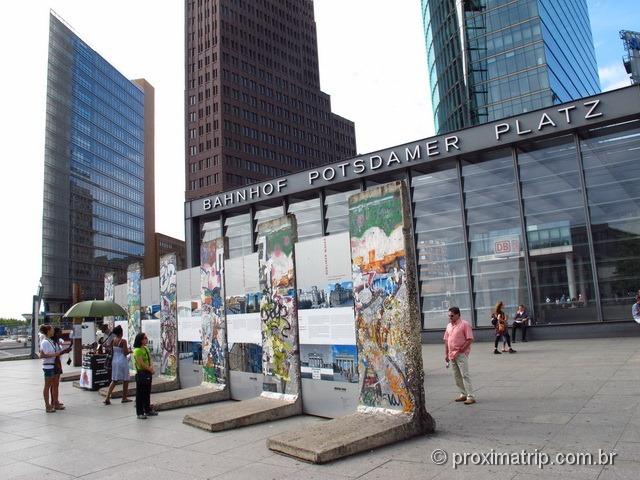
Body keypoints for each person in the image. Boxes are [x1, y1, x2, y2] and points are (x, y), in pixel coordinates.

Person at [443, 306, 475, 405]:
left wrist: (462, 350)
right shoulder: (449, 326)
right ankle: (463, 394)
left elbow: (470, 339)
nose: (450, 317)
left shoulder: (464, 324)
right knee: (457, 376)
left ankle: (470, 396)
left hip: (461, 354)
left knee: (464, 375)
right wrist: (446, 354)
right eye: (449, 316)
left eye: (452, 315)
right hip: (452, 354)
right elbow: (446, 340)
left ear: (457, 315)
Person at [39, 325, 71, 413]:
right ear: (48, 331)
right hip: (48, 366)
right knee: (48, 386)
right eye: (52, 329)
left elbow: (55, 352)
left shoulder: (51, 341)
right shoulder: (45, 342)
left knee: (55, 385)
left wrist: (61, 352)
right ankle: (47, 405)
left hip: (55, 365)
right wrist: (56, 354)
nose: (53, 331)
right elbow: (42, 355)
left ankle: (55, 402)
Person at [103, 325, 132, 405]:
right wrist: (130, 350)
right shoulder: (123, 341)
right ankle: (124, 398)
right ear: (121, 333)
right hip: (122, 361)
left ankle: (107, 397)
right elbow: (125, 353)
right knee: (126, 380)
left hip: (115, 361)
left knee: (114, 380)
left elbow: (110, 349)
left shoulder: (113, 340)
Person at [132, 332, 157, 419]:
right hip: (141, 373)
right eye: (145, 338)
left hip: (148, 372)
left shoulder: (146, 349)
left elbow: (150, 359)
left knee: (147, 392)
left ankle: (148, 409)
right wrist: (150, 369)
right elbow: (141, 364)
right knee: (140, 394)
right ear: (141, 340)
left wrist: (151, 368)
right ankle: (140, 412)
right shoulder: (137, 350)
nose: (147, 339)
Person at [51, 327, 67, 410]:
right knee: (55, 385)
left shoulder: (56, 342)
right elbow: (55, 353)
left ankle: (54, 401)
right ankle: (55, 403)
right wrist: (63, 352)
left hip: (57, 363)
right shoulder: (53, 342)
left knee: (54, 385)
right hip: (55, 364)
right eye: (60, 332)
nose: (61, 333)